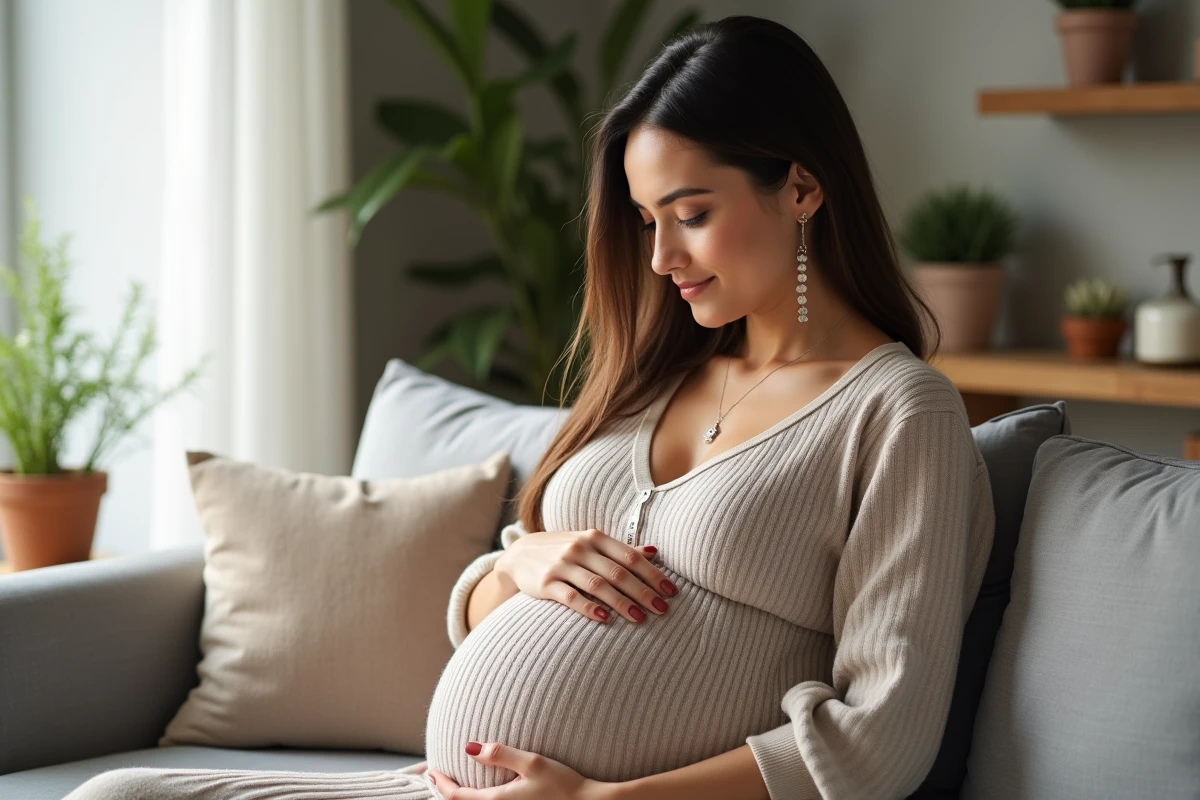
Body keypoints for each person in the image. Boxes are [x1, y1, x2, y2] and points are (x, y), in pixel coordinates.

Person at [64, 14, 993, 800]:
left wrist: (602, 799)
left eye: (692, 212)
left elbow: (881, 742)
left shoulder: (899, 415)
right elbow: (479, 609)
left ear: (800, 186)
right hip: (435, 787)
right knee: (116, 793)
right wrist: (522, 562)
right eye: (644, 220)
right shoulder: (664, 369)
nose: (663, 257)